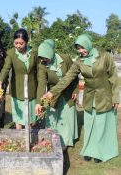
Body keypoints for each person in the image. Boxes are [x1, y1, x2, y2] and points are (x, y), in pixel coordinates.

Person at [44, 34, 119, 163]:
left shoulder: (105, 56)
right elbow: (67, 78)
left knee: (101, 124)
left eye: (82, 48)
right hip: (90, 96)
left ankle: (100, 152)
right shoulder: (79, 61)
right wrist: (52, 92)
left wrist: (116, 97)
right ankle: (90, 150)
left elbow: (113, 77)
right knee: (89, 124)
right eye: (78, 49)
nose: (80, 51)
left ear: (88, 44)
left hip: (105, 95)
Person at [35, 39, 78, 150]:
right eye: (41, 58)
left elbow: (74, 76)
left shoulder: (66, 58)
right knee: (52, 115)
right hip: (52, 93)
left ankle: (65, 142)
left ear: (50, 52)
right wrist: (39, 103)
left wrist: (76, 90)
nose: (44, 60)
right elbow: (41, 84)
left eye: (45, 57)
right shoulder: (42, 65)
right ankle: (53, 138)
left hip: (68, 92)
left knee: (66, 116)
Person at [0, 29, 38, 129]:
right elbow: (6, 68)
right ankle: (19, 134)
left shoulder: (34, 53)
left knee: (30, 117)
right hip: (17, 89)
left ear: (26, 42)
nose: (18, 46)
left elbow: (39, 70)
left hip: (31, 89)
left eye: (21, 43)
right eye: (16, 43)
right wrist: (0, 80)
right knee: (19, 117)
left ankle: (29, 134)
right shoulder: (11, 53)